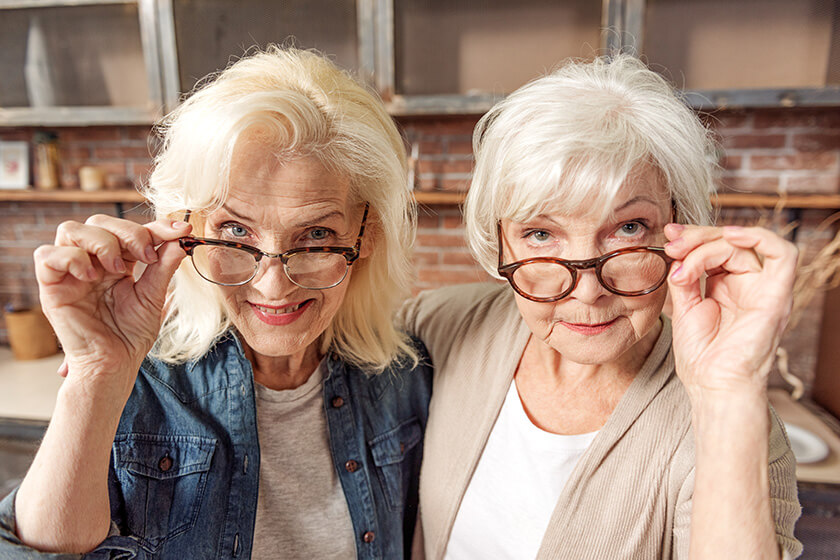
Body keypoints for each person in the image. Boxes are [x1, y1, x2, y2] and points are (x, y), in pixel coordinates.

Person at [0, 47, 432, 560]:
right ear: (188, 227)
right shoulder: (139, 382)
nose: (273, 287)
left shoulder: (402, 379)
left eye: (316, 236)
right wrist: (95, 377)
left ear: (369, 236)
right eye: (234, 230)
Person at [401, 54, 801, 559]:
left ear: (681, 226)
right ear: (499, 241)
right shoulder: (441, 326)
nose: (588, 290)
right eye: (541, 233)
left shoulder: (736, 431)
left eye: (628, 228)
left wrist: (729, 392)